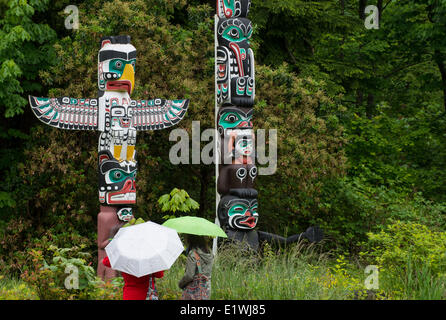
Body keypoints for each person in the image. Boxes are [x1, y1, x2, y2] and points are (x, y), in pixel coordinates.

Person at [102, 221, 165, 300]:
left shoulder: (123, 254)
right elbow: (159, 274)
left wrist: (118, 247)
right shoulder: (149, 254)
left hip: (129, 295)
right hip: (147, 295)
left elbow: (105, 261)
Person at [179, 234, 214, 300]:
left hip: (194, 291)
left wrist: (181, 284)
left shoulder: (193, 253)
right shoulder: (209, 253)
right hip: (206, 288)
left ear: (191, 240)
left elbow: (189, 275)